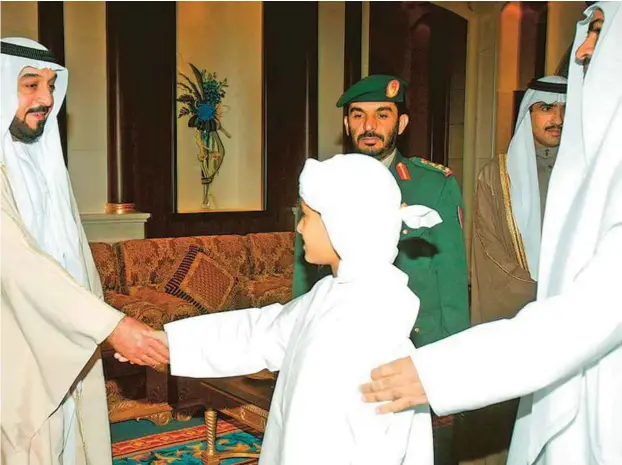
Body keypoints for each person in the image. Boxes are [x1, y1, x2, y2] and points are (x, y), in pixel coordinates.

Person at [361, 3, 622, 464]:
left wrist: (442, 367)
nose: (581, 50)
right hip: (523, 323)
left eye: (599, 32)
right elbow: (487, 256)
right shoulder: (497, 176)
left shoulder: (434, 180)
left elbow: (593, 309)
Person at [143, 154, 444, 464]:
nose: (299, 228)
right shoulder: (334, 291)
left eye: (307, 216)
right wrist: (172, 343)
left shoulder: (366, 320)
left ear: (342, 224)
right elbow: (265, 331)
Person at [1, 37, 169, 465]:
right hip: (18, 349)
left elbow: (71, 258)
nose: (46, 98)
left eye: (52, 85)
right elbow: (19, 264)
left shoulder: (46, 164)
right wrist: (111, 326)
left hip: (68, 338)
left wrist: (96, 324)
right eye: (30, 85)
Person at [291, 74, 469, 464]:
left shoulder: (432, 184)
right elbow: (305, 272)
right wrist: (298, 339)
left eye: (382, 115)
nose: (369, 126)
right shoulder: (325, 180)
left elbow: (452, 277)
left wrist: (450, 362)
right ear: (346, 124)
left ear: (401, 124)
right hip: (341, 343)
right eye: (359, 115)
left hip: (412, 341)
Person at [459, 75, 566, 465]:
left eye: (567, 110)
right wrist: (540, 295)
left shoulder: (590, 174)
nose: (558, 118)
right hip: (516, 310)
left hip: (576, 314)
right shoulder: (496, 176)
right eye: (547, 108)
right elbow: (489, 253)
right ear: (528, 114)